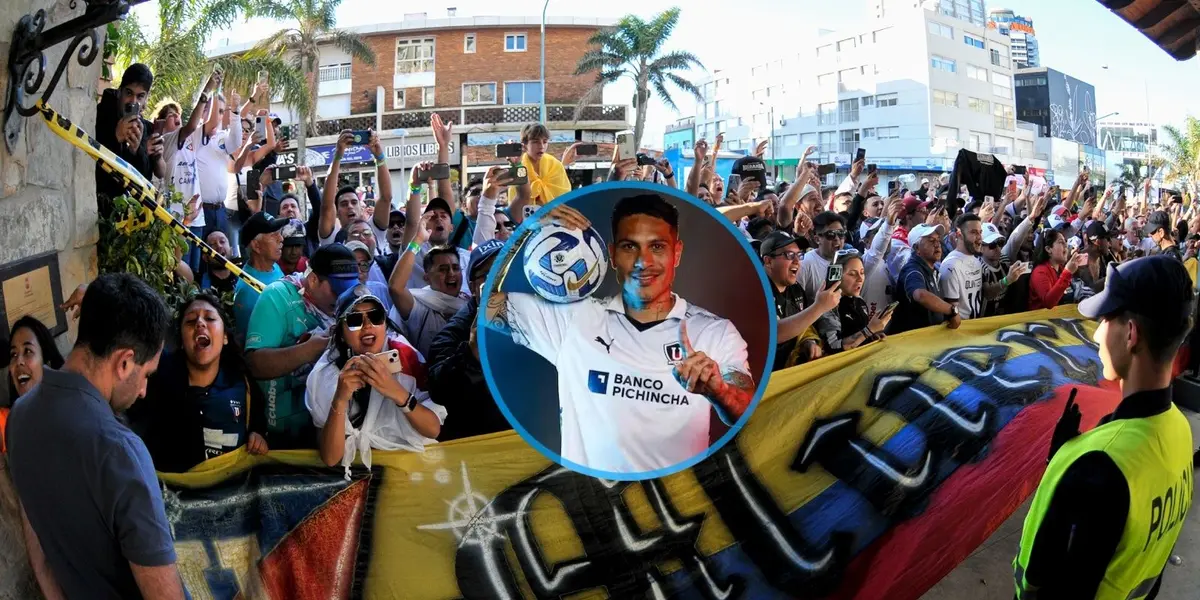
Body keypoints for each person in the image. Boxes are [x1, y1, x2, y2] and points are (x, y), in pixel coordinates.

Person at [485, 195, 756, 474]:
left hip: (677, 500)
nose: (643, 262)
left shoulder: (714, 332)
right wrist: (523, 232)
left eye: (657, 247)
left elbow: (746, 411)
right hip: (588, 499)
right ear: (612, 255)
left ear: (677, 253)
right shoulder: (572, 320)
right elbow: (484, 306)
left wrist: (720, 392)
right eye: (629, 247)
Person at [1013, 256, 1195, 600]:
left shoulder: (1095, 468)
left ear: (1131, 334)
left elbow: (1042, 578)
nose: (1097, 334)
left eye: (1106, 320)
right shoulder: (1179, 430)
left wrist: (1063, 464)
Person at [5, 273, 186, 599]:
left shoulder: (19, 417)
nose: (143, 390)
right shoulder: (120, 452)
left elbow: (39, 555)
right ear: (125, 362)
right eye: (146, 374)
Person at [306, 286, 444, 479]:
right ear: (341, 333)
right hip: (355, 478)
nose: (367, 325)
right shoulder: (326, 374)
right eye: (355, 320)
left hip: (408, 473)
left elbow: (433, 429)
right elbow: (330, 457)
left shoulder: (406, 358)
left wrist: (396, 392)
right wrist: (340, 399)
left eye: (375, 316)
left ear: (385, 324)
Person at [129, 294, 269, 473]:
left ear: (225, 337)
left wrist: (257, 436)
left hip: (231, 488)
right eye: (190, 321)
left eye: (209, 318)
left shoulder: (244, 384)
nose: (200, 323)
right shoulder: (155, 378)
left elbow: (258, 424)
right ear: (181, 341)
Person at [244, 244, 361, 449]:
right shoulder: (277, 297)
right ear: (313, 279)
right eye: (337, 291)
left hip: (329, 431)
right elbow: (255, 364)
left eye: (349, 291)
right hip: (279, 435)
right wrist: (309, 350)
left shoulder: (354, 304)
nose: (344, 299)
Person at [428, 240, 512, 440]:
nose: (499, 281)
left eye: (506, 271)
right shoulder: (452, 334)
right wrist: (471, 356)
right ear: (474, 287)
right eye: (489, 275)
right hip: (485, 446)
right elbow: (439, 391)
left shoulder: (537, 316)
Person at [760, 231, 839, 370]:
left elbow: (804, 324)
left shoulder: (796, 288)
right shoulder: (754, 290)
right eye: (790, 255)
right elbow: (771, 333)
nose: (797, 261)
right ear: (768, 261)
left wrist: (808, 342)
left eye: (799, 255)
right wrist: (819, 307)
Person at [95, 64, 164, 207]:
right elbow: (92, 167)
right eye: (129, 93)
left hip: (132, 210)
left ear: (146, 99)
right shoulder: (98, 116)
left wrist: (138, 152)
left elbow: (146, 178)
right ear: (120, 91)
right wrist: (115, 138)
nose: (133, 102)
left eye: (140, 96)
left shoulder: (145, 128)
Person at [399, 163, 473, 295]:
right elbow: (411, 222)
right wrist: (414, 185)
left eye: (444, 216)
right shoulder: (415, 251)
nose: (438, 219)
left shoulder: (466, 258)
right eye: (433, 217)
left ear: (451, 227)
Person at [318, 130, 394, 249]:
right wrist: (338, 155)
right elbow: (326, 206)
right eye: (344, 204)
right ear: (336, 212)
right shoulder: (331, 238)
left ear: (361, 207)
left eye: (354, 202)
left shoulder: (374, 230)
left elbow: (386, 198)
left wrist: (379, 156)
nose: (350, 206)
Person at [3, 316, 65, 453]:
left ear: (47, 363)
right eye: (13, 354)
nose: (19, 361)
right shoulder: (9, 423)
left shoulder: (69, 414)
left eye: (28, 351)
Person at [890, 223, 962, 334]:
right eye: (931, 241)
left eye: (938, 240)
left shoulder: (934, 270)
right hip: (912, 341)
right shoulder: (912, 270)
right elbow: (920, 295)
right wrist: (952, 310)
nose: (937, 245)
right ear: (917, 248)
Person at [815, 250, 892, 353]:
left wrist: (871, 337)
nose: (860, 279)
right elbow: (833, 347)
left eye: (862, 273)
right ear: (837, 277)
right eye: (852, 274)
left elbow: (861, 333)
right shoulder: (828, 306)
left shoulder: (859, 301)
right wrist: (869, 330)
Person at [232, 212, 288, 336]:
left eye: (279, 233)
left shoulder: (273, 266)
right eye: (274, 235)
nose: (281, 238)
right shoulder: (247, 291)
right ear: (256, 246)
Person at [510, 123, 570, 206]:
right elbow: (516, 197)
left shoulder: (555, 165)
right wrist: (517, 164)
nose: (541, 146)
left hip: (554, 212)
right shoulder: (519, 165)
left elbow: (564, 194)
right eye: (535, 142)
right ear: (524, 145)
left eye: (545, 142)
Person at [1029, 228, 1089, 310]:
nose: (1066, 245)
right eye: (1061, 242)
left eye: (1065, 241)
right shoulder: (1040, 272)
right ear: (1048, 249)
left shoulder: (1060, 268)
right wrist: (1067, 272)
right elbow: (1048, 302)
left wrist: (1076, 271)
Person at [940, 213, 986, 320]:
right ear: (959, 234)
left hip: (977, 325)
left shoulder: (977, 261)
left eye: (980, 232)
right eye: (973, 232)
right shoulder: (951, 266)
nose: (979, 237)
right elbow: (952, 312)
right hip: (961, 328)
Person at [797, 212, 849, 304]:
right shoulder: (806, 264)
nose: (837, 238)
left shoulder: (848, 261)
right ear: (817, 239)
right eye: (830, 234)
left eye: (841, 233)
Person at [198, 230, 239, 295]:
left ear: (231, 250)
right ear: (205, 257)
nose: (219, 246)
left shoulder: (244, 278)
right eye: (212, 244)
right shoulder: (198, 283)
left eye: (222, 241)